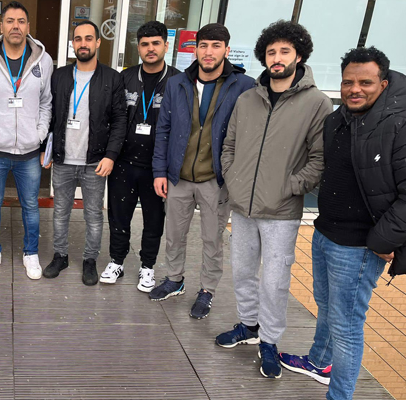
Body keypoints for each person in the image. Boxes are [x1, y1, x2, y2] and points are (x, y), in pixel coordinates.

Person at [279, 47, 405, 399]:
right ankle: (320, 361)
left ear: (382, 83)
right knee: (326, 304)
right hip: (325, 232)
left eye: (365, 82)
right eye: (348, 82)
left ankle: (340, 395)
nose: (355, 89)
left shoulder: (398, 123)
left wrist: (382, 241)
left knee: (347, 326)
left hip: (361, 245)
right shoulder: (336, 120)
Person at [214, 21, 331, 379]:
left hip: (281, 211)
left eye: (284, 51)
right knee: (244, 272)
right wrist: (233, 181)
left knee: (275, 281)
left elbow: (319, 159)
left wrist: (289, 186)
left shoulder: (317, 103)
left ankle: (269, 340)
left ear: (299, 54)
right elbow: (229, 146)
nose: (276, 59)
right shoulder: (248, 98)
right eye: (270, 52)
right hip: (243, 206)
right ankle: (248, 326)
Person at [151, 23, 255, 319]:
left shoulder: (244, 86)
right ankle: (174, 279)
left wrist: (235, 176)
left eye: (216, 46)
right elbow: (164, 130)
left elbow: (247, 135)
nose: (208, 52)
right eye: (203, 46)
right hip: (178, 176)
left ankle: (207, 290)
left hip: (215, 180)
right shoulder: (177, 83)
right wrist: (160, 170)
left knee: (212, 239)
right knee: (174, 233)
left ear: (226, 49)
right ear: (194, 49)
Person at [0, 1, 53, 280]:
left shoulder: (44, 59)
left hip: (29, 151)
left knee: (30, 205)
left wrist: (39, 134)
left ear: (28, 26)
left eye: (21, 21)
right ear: (1, 25)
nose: (15, 26)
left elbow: (46, 103)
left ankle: (31, 254)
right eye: (9, 21)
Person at [40, 21, 125, 285]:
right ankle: (61, 256)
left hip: (95, 162)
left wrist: (110, 156)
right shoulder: (60, 76)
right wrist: (48, 151)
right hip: (64, 159)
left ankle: (90, 260)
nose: (83, 44)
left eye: (89, 38)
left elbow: (120, 119)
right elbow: (50, 114)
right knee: (60, 212)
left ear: (98, 42)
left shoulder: (112, 78)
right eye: (78, 39)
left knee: (93, 216)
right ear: (73, 44)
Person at [101, 21, 180, 292]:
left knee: (153, 220)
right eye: (145, 44)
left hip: (157, 168)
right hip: (124, 162)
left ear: (166, 46)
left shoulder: (178, 81)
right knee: (118, 216)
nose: (150, 49)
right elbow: (113, 116)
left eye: (156, 43)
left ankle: (148, 267)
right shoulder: (125, 77)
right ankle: (117, 260)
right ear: (138, 47)